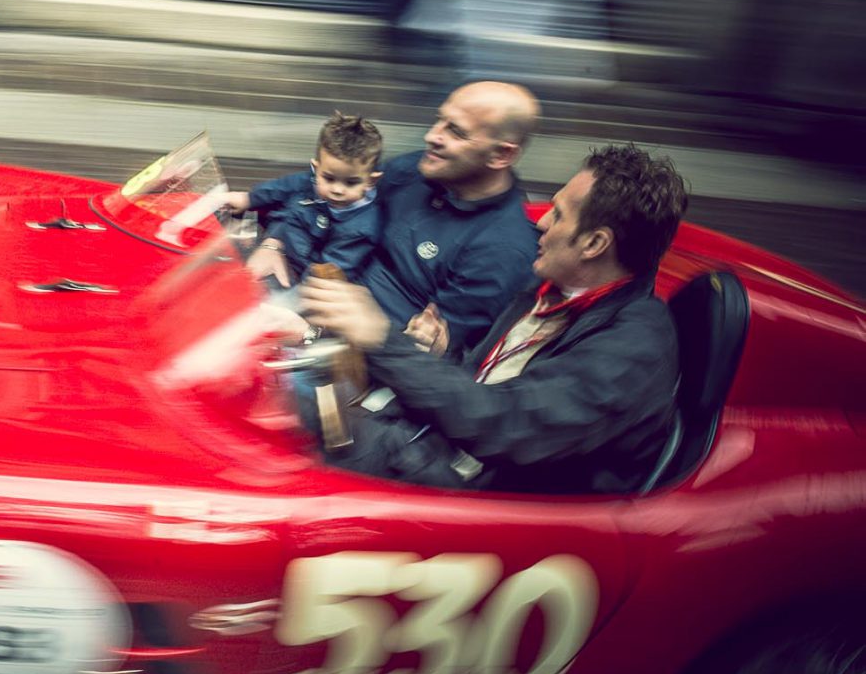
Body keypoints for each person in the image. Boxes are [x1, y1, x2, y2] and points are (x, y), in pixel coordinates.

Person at [298, 142, 688, 494]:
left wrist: (383, 339)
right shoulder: (550, 287)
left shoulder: (634, 351)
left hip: (479, 494)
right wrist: (441, 351)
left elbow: (506, 424)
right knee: (293, 408)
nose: (541, 223)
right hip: (437, 448)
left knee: (294, 451)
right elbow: (486, 375)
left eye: (558, 214)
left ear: (594, 243)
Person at [361, 81, 541, 353]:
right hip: (328, 284)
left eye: (456, 132)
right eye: (439, 120)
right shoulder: (420, 169)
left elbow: (426, 352)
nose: (432, 136)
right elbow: (342, 200)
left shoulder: (501, 250)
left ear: (501, 154)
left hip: (369, 345)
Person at [223, 113, 384, 288]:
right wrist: (249, 199)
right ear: (316, 168)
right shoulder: (311, 181)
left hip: (303, 277)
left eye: (351, 183)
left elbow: (330, 270)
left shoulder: (361, 228)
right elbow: (280, 188)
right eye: (329, 179)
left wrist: (297, 293)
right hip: (279, 240)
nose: (337, 190)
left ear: (371, 180)